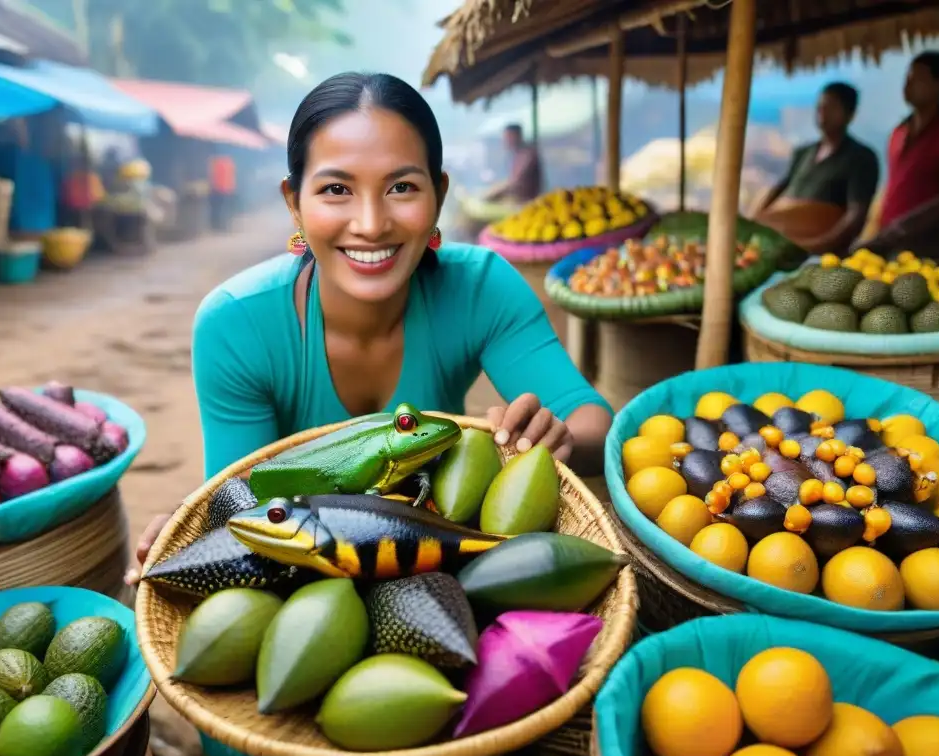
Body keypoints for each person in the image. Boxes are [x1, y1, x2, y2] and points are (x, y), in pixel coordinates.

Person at [128, 72, 612, 581]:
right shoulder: (236, 324)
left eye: (401, 187)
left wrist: (559, 437)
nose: (371, 223)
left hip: (428, 547)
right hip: (309, 560)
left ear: (439, 195)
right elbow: (239, 498)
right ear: (294, 202)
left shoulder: (481, 288)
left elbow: (593, 423)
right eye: (336, 189)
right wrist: (201, 534)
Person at [853, 51, 939, 262]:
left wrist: (903, 227)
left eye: (917, 79)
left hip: (923, 247)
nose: (907, 86)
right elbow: (892, 186)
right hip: (884, 242)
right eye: (907, 78)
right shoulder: (899, 132)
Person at [752, 82, 879, 255]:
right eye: (820, 106)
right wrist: (756, 221)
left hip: (821, 253)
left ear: (850, 114)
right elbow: (780, 187)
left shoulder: (861, 157)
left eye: (831, 107)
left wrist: (817, 246)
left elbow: (856, 215)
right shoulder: (803, 153)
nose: (823, 112)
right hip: (780, 243)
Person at [484, 123, 543, 203]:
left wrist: (491, 193)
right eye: (505, 137)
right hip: (517, 200)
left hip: (526, 203)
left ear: (517, 136)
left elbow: (513, 183)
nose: (505, 141)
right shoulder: (517, 154)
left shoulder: (527, 154)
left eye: (508, 137)